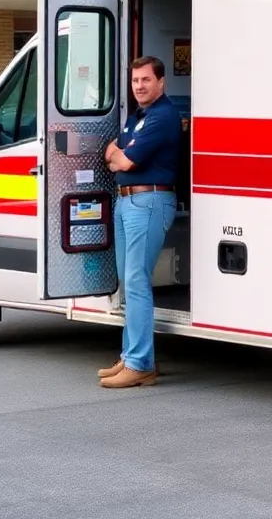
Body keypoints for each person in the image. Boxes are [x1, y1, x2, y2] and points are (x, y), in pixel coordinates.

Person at [97, 55, 182, 388]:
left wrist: (121, 157)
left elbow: (126, 159)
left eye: (146, 80)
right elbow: (110, 152)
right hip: (128, 202)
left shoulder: (163, 117)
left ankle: (140, 364)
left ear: (161, 82)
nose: (140, 86)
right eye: (135, 81)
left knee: (136, 281)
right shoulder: (138, 117)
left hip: (149, 202)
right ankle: (130, 355)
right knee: (128, 281)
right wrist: (118, 156)